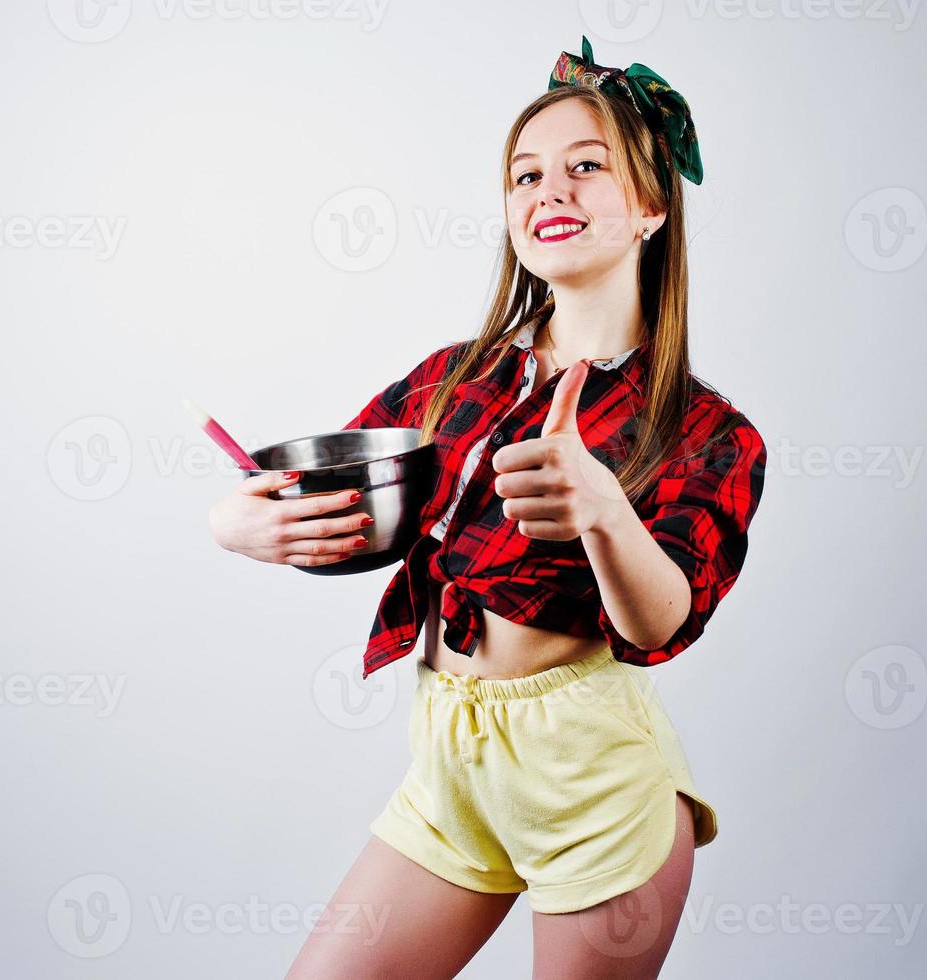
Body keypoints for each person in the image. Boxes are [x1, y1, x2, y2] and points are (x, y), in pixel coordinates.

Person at [209, 37, 767, 979]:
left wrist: (602, 511)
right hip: (449, 766)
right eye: (526, 176)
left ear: (650, 208)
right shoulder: (452, 378)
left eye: (586, 169)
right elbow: (329, 500)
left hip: (591, 776)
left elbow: (663, 625)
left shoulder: (709, 429)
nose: (550, 192)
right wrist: (239, 524)